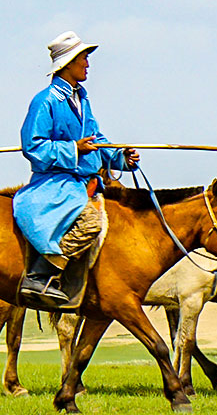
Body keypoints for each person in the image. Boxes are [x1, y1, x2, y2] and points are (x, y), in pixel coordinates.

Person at [15, 31, 136, 307]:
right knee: (91, 222)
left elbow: (96, 139)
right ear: (68, 63)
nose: (88, 64)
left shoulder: (82, 99)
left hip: (82, 182)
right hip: (55, 182)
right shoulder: (45, 100)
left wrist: (120, 158)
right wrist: (73, 149)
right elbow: (33, 146)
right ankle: (40, 275)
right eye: (83, 58)